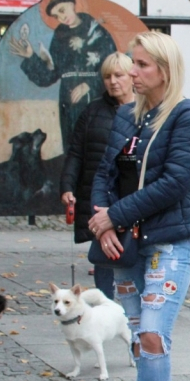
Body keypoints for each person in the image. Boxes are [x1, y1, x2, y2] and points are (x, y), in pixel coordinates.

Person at [91, 31, 190, 381]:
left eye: (141, 65)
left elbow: (175, 182)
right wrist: (104, 221)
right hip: (127, 242)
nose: (132, 73)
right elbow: (103, 173)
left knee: (153, 334)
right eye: (131, 64)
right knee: (141, 338)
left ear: (164, 69)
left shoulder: (188, 117)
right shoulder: (128, 116)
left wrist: (114, 217)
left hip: (171, 239)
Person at [60, 52, 135, 297]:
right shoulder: (92, 112)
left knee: (135, 251)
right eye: (107, 76)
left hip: (133, 195)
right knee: (103, 252)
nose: (113, 81)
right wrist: (67, 186)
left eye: (118, 75)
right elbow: (75, 153)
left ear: (131, 76)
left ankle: (135, 307)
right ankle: (106, 304)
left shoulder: (146, 110)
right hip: (100, 194)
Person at [8, 0, 117, 157]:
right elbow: (50, 75)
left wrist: (89, 84)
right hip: (68, 100)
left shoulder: (98, 31)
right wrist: (31, 57)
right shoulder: (59, 37)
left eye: (62, 10)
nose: (61, 17)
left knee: (97, 146)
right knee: (72, 146)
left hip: (96, 98)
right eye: (57, 16)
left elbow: (114, 66)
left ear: (72, 4)